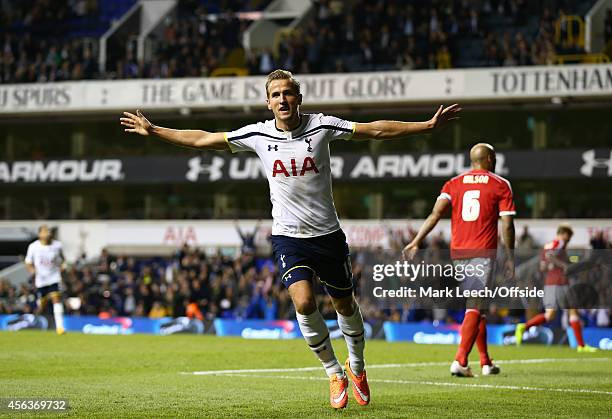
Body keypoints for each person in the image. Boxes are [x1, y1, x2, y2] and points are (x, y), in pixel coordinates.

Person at [120, 69, 461, 409]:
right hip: (288, 237)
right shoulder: (256, 134)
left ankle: (356, 366)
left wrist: (426, 126)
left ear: (299, 97)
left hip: (328, 236)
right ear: (268, 103)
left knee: (344, 305)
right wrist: (155, 130)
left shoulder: (323, 126)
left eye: (288, 93)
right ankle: (333, 372)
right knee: (303, 303)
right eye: (276, 95)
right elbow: (203, 139)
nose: (282, 99)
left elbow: (374, 130)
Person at [403, 143, 515, 377]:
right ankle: (460, 361)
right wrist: (510, 255)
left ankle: (485, 362)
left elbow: (435, 214)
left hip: (458, 253)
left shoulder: (453, 183)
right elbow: (507, 223)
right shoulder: (500, 184)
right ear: (491, 159)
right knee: (475, 306)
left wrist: (416, 241)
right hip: (482, 251)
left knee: (478, 307)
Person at [515, 224, 597, 352]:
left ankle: (523, 327)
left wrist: (552, 266)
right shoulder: (559, 242)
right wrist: (564, 265)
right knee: (573, 311)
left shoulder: (546, 246)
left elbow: (543, 266)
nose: (568, 240)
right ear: (563, 233)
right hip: (560, 283)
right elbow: (550, 257)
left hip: (550, 284)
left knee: (549, 315)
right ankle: (581, 345)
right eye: (568, 236)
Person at [25, 225, 66, 335]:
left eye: (48, 231)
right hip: (41, 280)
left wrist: (63, 266)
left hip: (54, 277)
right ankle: (34, 320)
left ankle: (60, 327)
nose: (47, 233)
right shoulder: (33, 247)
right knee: (41, 305)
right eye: (44, 232)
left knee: (56, 298)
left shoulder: (57, 245)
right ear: (39, 234)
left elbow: (62, 259)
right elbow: (28, 262)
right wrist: (32, 271)